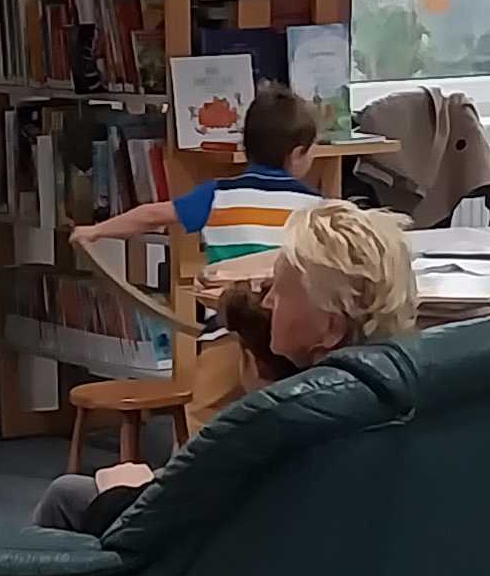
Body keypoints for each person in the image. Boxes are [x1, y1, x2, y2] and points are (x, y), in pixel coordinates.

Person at [32, 199, 419, 538]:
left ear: (331, 327)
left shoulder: (275, 422)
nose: (266, 302)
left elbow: (172, 530)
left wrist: (123, 493)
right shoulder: (401, 397)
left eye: (279, 289)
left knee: (67, 496)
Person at [71, 84, 325, 272]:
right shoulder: (315, 208)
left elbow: (152, 215)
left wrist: (96, 230)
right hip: (288, 322)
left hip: (227, 318)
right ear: (297, 154)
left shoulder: (218, 195)